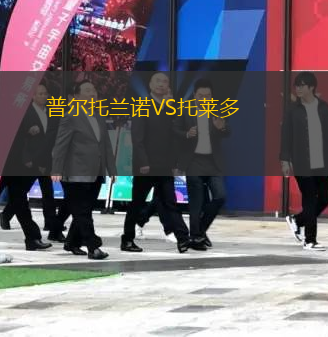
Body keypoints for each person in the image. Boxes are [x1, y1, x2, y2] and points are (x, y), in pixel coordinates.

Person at [122, 72, 190, 253]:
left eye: (165, 81)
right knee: (137, 203)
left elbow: (173, 138)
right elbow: (137, 138)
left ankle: (183, 239)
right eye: (158, 81)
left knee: (171, 203)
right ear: (150, 85)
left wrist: (174, 163)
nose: (161, 84)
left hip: (165, 165)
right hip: (145, 166)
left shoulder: (170, 108)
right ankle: (127, 239)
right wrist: (143, 162)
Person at [51, 80, 117, 260]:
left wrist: (112, 169)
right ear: (77, 96)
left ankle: (72, 242)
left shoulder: (98, 115)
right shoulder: (71, 116)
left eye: (93, 90)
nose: (92, 94)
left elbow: (106, 145)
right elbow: (60, 145)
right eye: (87, 91)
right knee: (83, 212)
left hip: (96, 171)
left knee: (84, 210)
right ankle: (93, 247)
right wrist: (56, 168)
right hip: (75, 171)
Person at [0, 84, 69, 243]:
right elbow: (17, 138)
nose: (43, 96)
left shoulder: (52, 112)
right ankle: (6, 214)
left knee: (48, 193)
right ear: (33, 96)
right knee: (21, 193)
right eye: (40, 94)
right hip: (28, 161)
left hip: (45, 158)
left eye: (45, 93)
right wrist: (26, 155)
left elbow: (52, 137)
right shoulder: (24, 113)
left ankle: (52, 226)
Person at [280, 72, 328, 251]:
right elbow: (286, 136)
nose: (298, 89)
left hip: (323, 162)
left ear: (311, 87)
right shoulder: (292, 110)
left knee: (326, 198)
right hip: (302, 163)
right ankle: (310, 240)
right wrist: (284, 159)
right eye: (296, 86)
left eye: (302, 85)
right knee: (309, 200)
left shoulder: (324, 107)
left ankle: (298, 220)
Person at [173, 78, 230, 250]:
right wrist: (186, 134)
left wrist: (221, 128)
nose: (204, 99)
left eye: (208, 96)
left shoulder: (218, 110)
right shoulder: (185, 110)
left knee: (220, 196)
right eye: (201, 95)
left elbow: (228, 131)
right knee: (196, 202)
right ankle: (197, 237)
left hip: (213, 161)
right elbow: (174, 130)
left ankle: (199, 232)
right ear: (194, 95)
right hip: (193, 161)